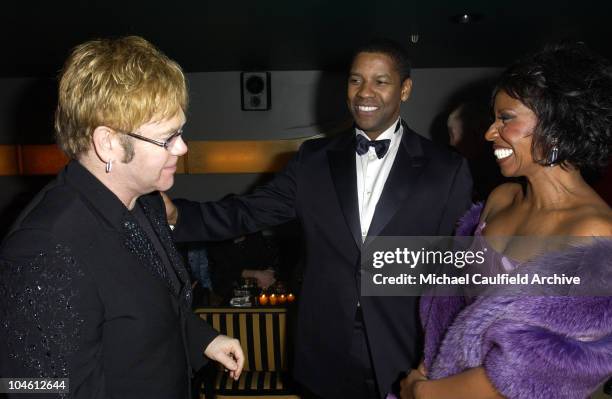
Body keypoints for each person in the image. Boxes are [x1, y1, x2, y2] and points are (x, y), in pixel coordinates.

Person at [164, 38, 472, 398]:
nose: (364, 92)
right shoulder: (313, 159)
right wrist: (176, 215)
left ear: (405, 89)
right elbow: (249, 210)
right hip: (325, 346)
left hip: (405, 348)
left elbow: (453, 269)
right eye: (355, 80)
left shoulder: (446, 169)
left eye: (380, 81)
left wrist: (440, 354)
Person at [0, 36, 244, 399]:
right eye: (168, 138)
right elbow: (29, 389)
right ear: (108, 143)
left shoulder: (146, 201)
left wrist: (203, 339)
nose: (183, 147)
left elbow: (152, 301)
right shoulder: (45, 248)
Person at [399, 43, 612, 399]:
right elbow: (451, 305)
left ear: (557, 124)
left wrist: (422, 394)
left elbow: (545, 373)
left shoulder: (596, 235)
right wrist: (426, 369)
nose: (488, 133)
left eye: (506, 118)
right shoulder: (500, 200)